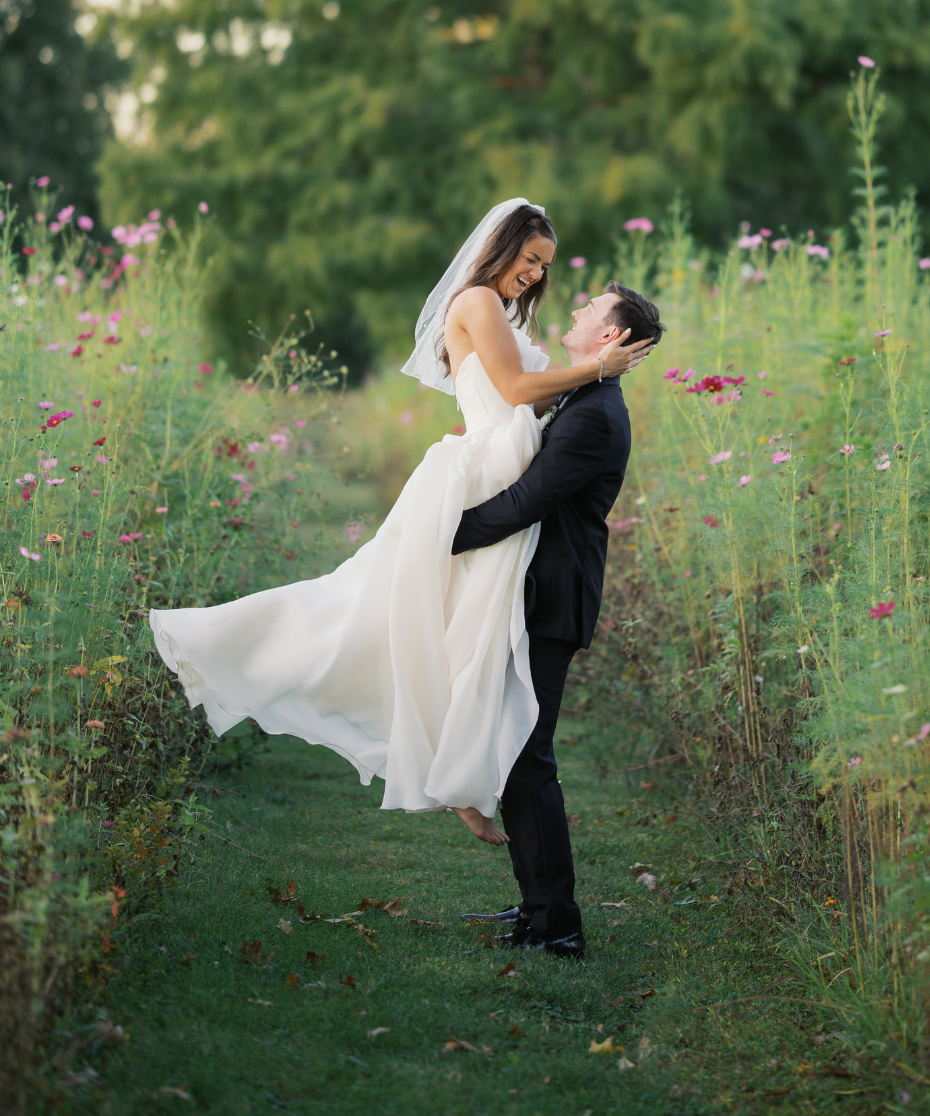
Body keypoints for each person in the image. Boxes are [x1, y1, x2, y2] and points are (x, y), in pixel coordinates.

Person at [149, 199, 654, 846]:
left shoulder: (498, 310)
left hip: (503, 466)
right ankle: (233, 646)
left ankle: (459, 777)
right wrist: (595, 369)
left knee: (466, 636)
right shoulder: (475, 301)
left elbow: (529, 390)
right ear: (502, 248)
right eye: (530, 258)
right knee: (376, 610)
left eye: (544, 265)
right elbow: (513, 389)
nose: (535, 274)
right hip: (486, 474)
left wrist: (590, 377)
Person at [455, 281, 665, 957]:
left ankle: (558, 924)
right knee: (519, 754)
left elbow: (526, 502)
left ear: (609, 336)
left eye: (590, 310)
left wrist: (440, 534)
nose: (575, 311)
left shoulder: (596, 415)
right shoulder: (583, 396)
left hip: (553, 599)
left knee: (528, 758)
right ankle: (538, 910)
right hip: (538, 592)